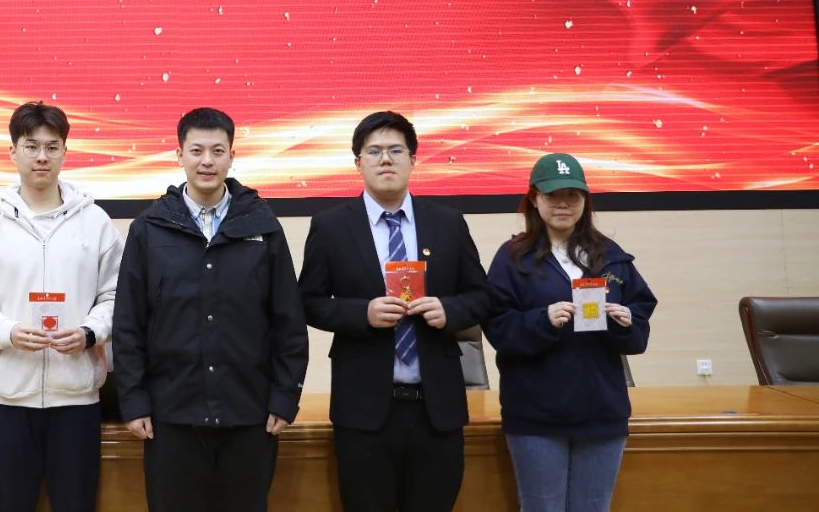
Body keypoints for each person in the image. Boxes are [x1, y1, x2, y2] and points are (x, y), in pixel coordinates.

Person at [113, 107, 308, 512]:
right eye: (197, 150)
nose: (207, 161)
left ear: (231, 156)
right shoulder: (149, 229)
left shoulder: (263, 226)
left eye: (218, 151)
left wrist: (284, 397)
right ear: (179, 155)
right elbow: (129, 323)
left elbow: (288, 320)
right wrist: (133, 400)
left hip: (249, 414)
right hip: (170, 416)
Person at [298, 110, 491, 512]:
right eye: (374, 151)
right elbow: (308, 303)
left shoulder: (448, 223)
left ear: (413, 160)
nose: (385, 159)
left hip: (436, 410)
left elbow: (482, 296)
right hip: (365, 412)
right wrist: (361, 314)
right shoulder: (330, 227)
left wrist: (449, 310)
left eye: (396, 150)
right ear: (358, 163)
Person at [0, 101, 122, 512]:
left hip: (77, 399)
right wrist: (8, 332)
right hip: (9, 399)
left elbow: (116, 297)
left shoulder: (95, 221)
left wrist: (89, 333)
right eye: (31, 146)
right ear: (13, 152)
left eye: (52, 146)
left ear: (65, 151)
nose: (42, 156)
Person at [482, 153, 657, 512]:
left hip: (602, 411)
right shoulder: (512, 258)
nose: (563, 204)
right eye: (552, 195)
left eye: (572, 195)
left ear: (585, 201)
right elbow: (497, 327)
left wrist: (626, 320)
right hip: (536, 415)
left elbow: (639, 328)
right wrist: (542, 320)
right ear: (534, 199)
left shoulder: (611, 255)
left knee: (593, 506)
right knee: (541, 507)